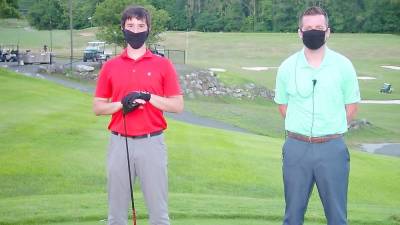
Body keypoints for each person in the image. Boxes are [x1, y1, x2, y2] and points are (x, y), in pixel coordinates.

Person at [93, 5, 183, 225]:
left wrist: (149, 97)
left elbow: (177, 105)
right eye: (130, 25)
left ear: (148, 29)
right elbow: (98, 107)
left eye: (140, 25)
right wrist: (121, 105)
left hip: (152, 143)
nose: (135, 30)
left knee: (159, 214)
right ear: (122, 28)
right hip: (119, 142)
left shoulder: (163, 65)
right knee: (116, 214)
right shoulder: (110, 66)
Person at [274, 6, 360, 225]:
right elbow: (283, 106)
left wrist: (329, 128)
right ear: (300, 32)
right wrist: (302, 129)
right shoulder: (286, 67)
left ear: (328, 31)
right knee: (292, 215)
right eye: (309, 28)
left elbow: (351, 106)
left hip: (333, 148)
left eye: (319, 28)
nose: (314, 32)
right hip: (296, 148)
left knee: (337, 216)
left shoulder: (344, 66)